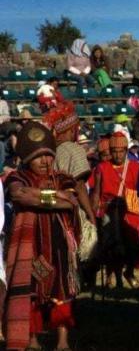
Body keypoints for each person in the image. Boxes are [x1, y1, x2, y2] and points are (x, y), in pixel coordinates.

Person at [4, 121, 81, 351]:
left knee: (62, 292)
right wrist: (56, 198)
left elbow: (73, 199)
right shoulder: (18, 178)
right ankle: (32, 339)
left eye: (48, 155)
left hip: (59, 247)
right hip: (31, 246)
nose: (45, 161)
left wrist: (42, 196)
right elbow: (20, 196)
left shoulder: (63, 177)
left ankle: (62, 341)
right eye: (38, 157)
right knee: (32, 293)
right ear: (28, 159)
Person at [92, 129, 139, 288]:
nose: (117, 155)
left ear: (126, 151)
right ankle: (112, 276)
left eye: (121, 152)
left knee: (133, 242)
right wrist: (94, 213)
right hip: (109, 209)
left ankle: (129, 272)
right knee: (112, 244)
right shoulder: (102, 167)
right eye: (114, 151)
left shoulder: (136, 167)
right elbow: (97, 191)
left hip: (131, 208)